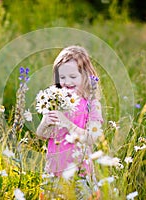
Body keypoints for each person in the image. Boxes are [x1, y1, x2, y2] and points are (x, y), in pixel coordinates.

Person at [36, 45, 103, 200]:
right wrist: (45, 123)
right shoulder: (54, 101)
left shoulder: (92, 104)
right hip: (54, 172)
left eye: (73, 77)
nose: (66, 82)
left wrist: (67, 123)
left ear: (85, 76)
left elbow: (92, 138)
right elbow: (42, 135)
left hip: (81, 173)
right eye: (62, 77)